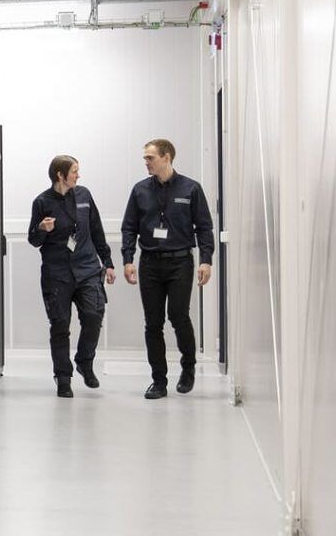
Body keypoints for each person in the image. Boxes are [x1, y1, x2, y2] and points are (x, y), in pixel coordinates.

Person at [121, 138, 215, 399]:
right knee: (153, 323)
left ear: (167, 157)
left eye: (150, 157)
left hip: (180, 262)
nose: (146, 162)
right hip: (150, 262)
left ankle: (188, 368)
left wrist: (206, 260)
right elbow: (129, 227)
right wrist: (128, 259)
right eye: (145, 158)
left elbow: (204, 227)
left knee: (178, 315)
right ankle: (158, 381)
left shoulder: (191, 189)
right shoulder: (140, 190)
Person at [28, 155, 115, 397]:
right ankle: (63, 377)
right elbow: (33, 240)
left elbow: (96, 230)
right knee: (60, 325)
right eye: (75, 171)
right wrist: (42, 229)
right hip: (58, 274)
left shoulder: (84, 195)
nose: (79, 175)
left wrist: (107, 262)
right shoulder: (42, 202)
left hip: (87, 269)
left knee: (93, 315)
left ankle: (84, 361)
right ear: (60, 175)